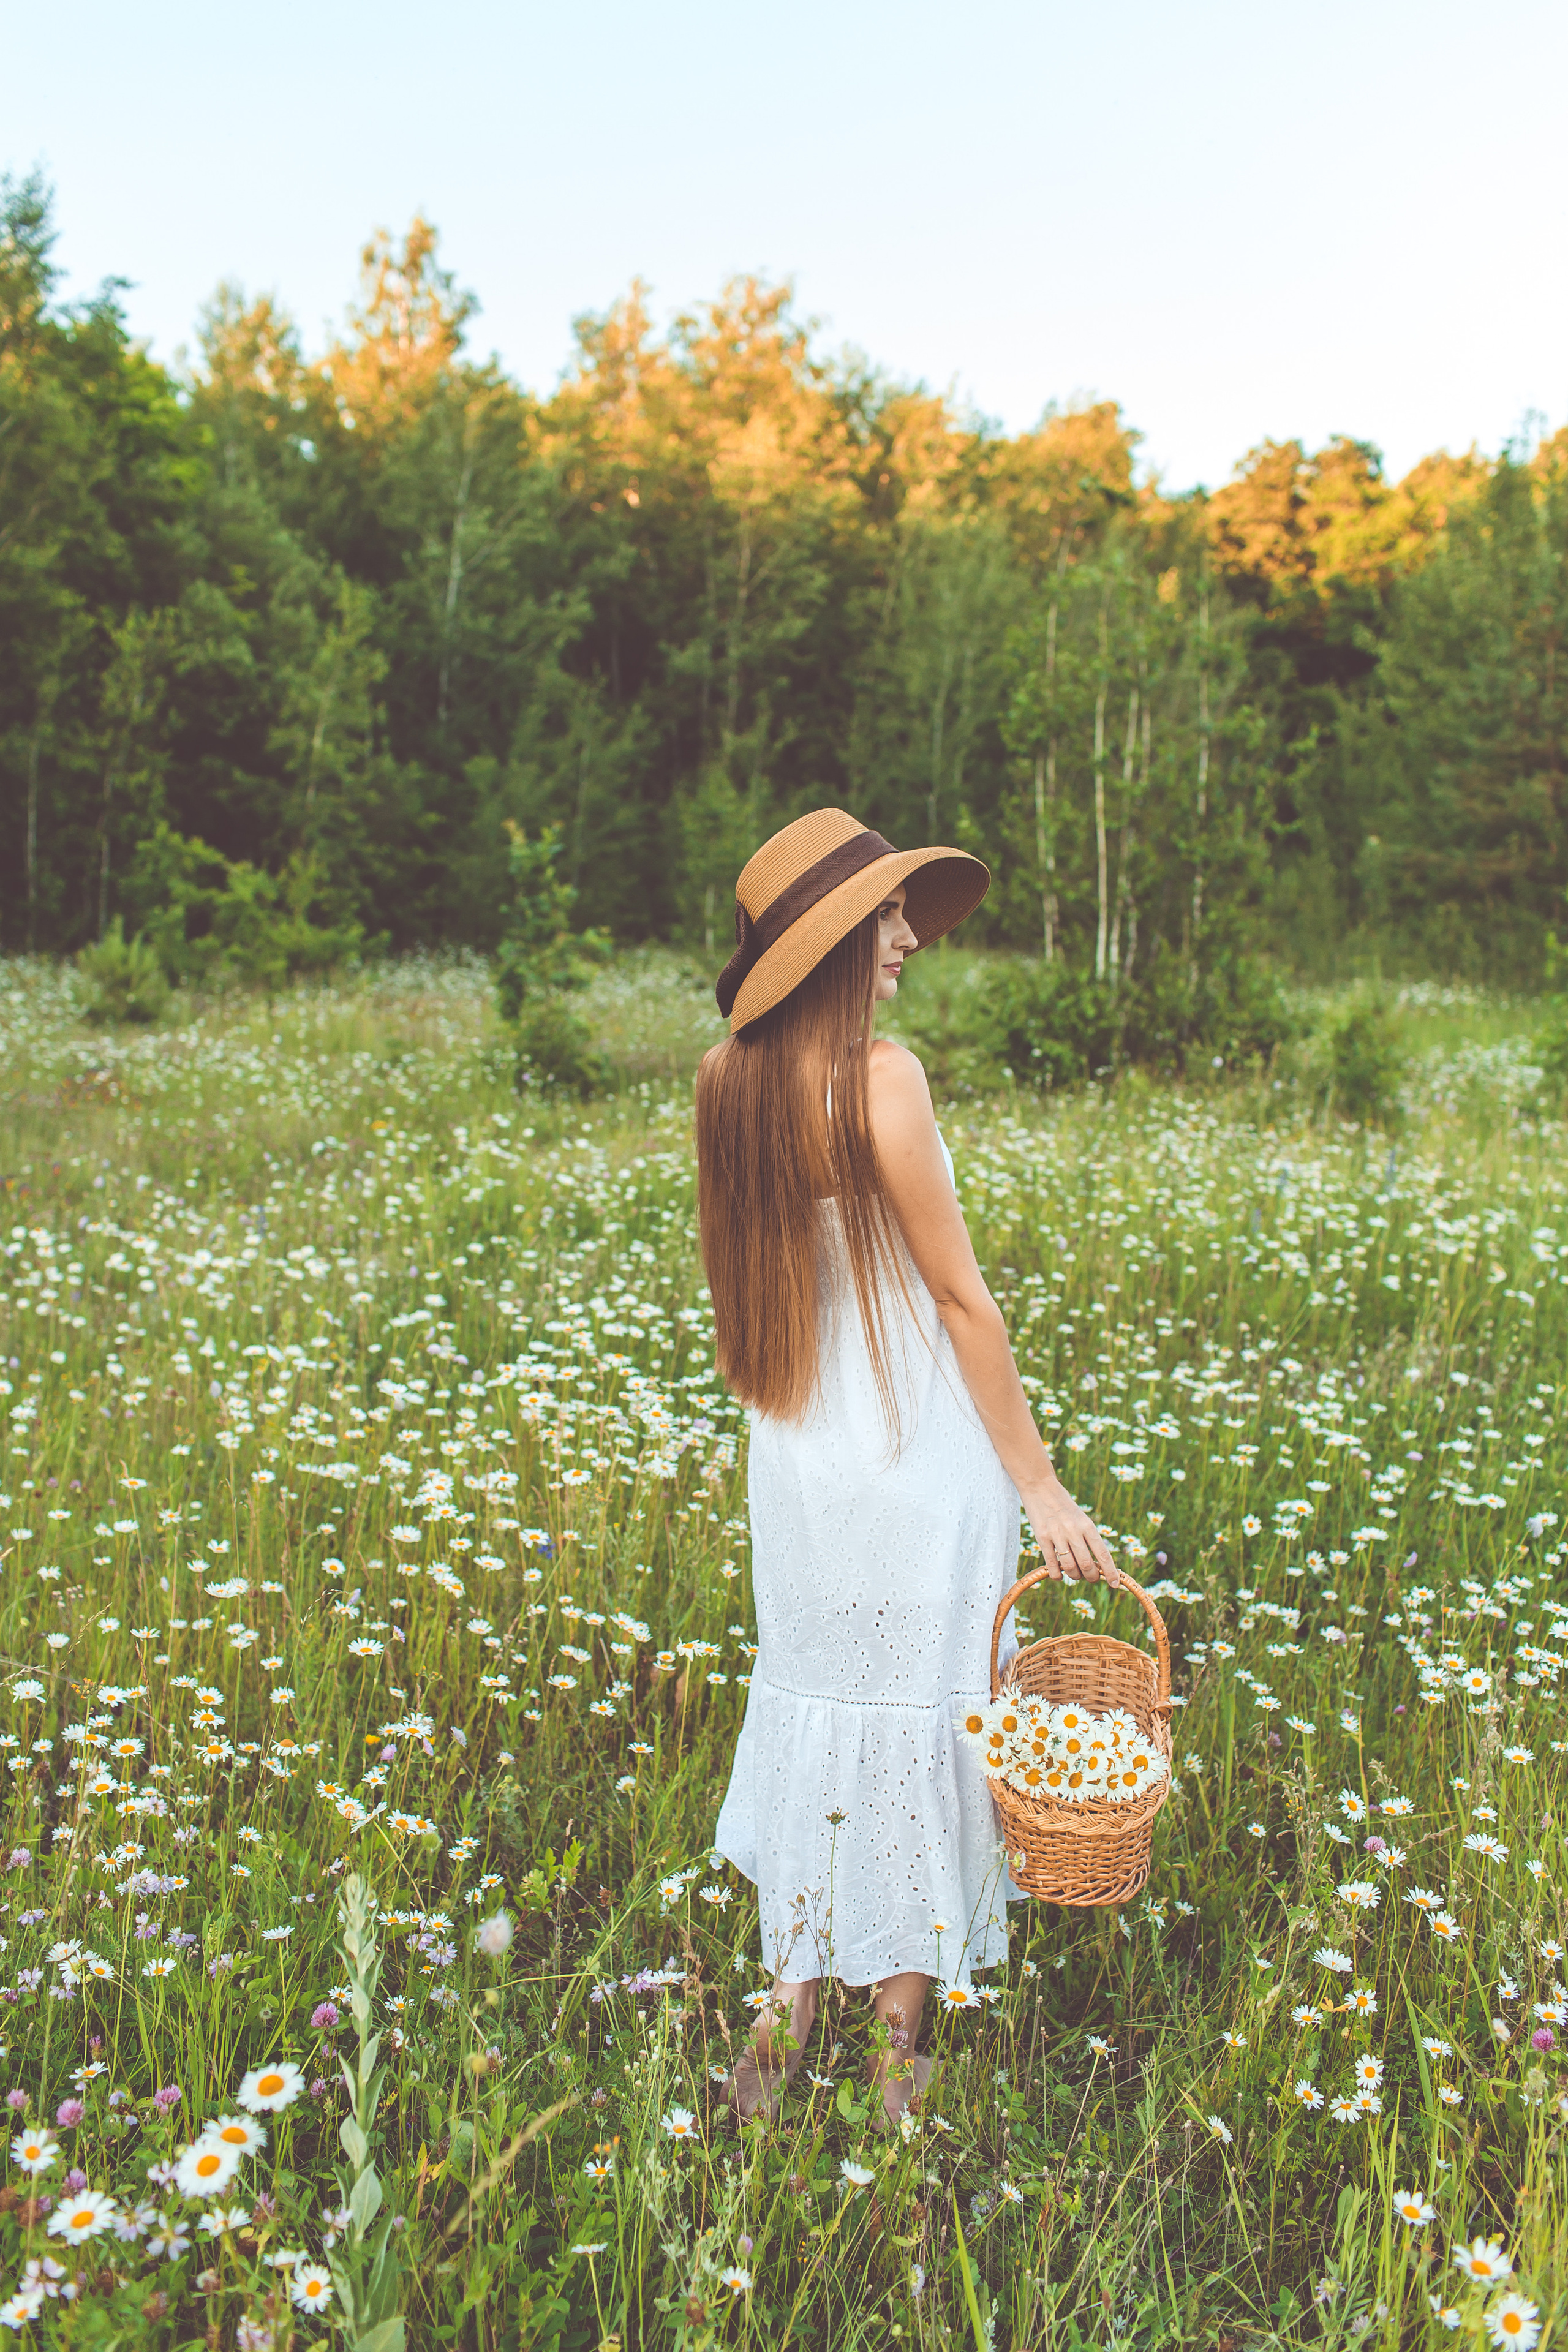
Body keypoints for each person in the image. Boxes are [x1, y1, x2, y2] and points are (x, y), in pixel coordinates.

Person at [697, 808, 1118, 2133]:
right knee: (923, 1709)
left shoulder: (727, 1085)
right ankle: (893, 2044)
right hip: (916, 1446)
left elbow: (744, 1306)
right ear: (828, 939)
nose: (904, 940)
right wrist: (1039, 1483)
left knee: (819, 1700)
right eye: (881, 917)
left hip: (801, 1457)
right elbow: (958, 1300)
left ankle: (783, 2010)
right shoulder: (883, 1077)